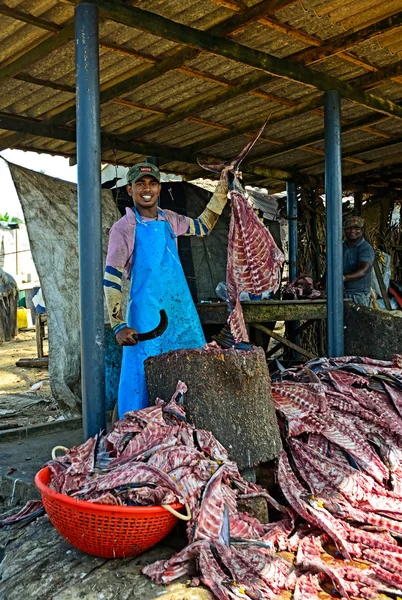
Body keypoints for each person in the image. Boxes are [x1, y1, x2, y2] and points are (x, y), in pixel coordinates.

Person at [104, 162, 229, 417]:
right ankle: (133, 436)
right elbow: (112, 277)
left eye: (152, 183)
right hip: (147, 319)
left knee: (192, 374)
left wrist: (222, 190)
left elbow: (204, 226)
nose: (146, 189)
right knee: (141, 383)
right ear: (130, 190)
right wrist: (117, 324)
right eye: (140, 184)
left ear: (159, 188)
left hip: (181, 314)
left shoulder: (170, 219)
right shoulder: (124, 228)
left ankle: (191, 436)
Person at [343, 215, 375, 307]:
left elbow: (363, 271)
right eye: (349, 228)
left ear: (362, 230)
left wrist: (343, 278)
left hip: (358, 296)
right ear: (344, 229)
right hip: (340, 294)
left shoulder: (365, 249)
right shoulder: (340, 247)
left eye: (357, 228)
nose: (352, 231)